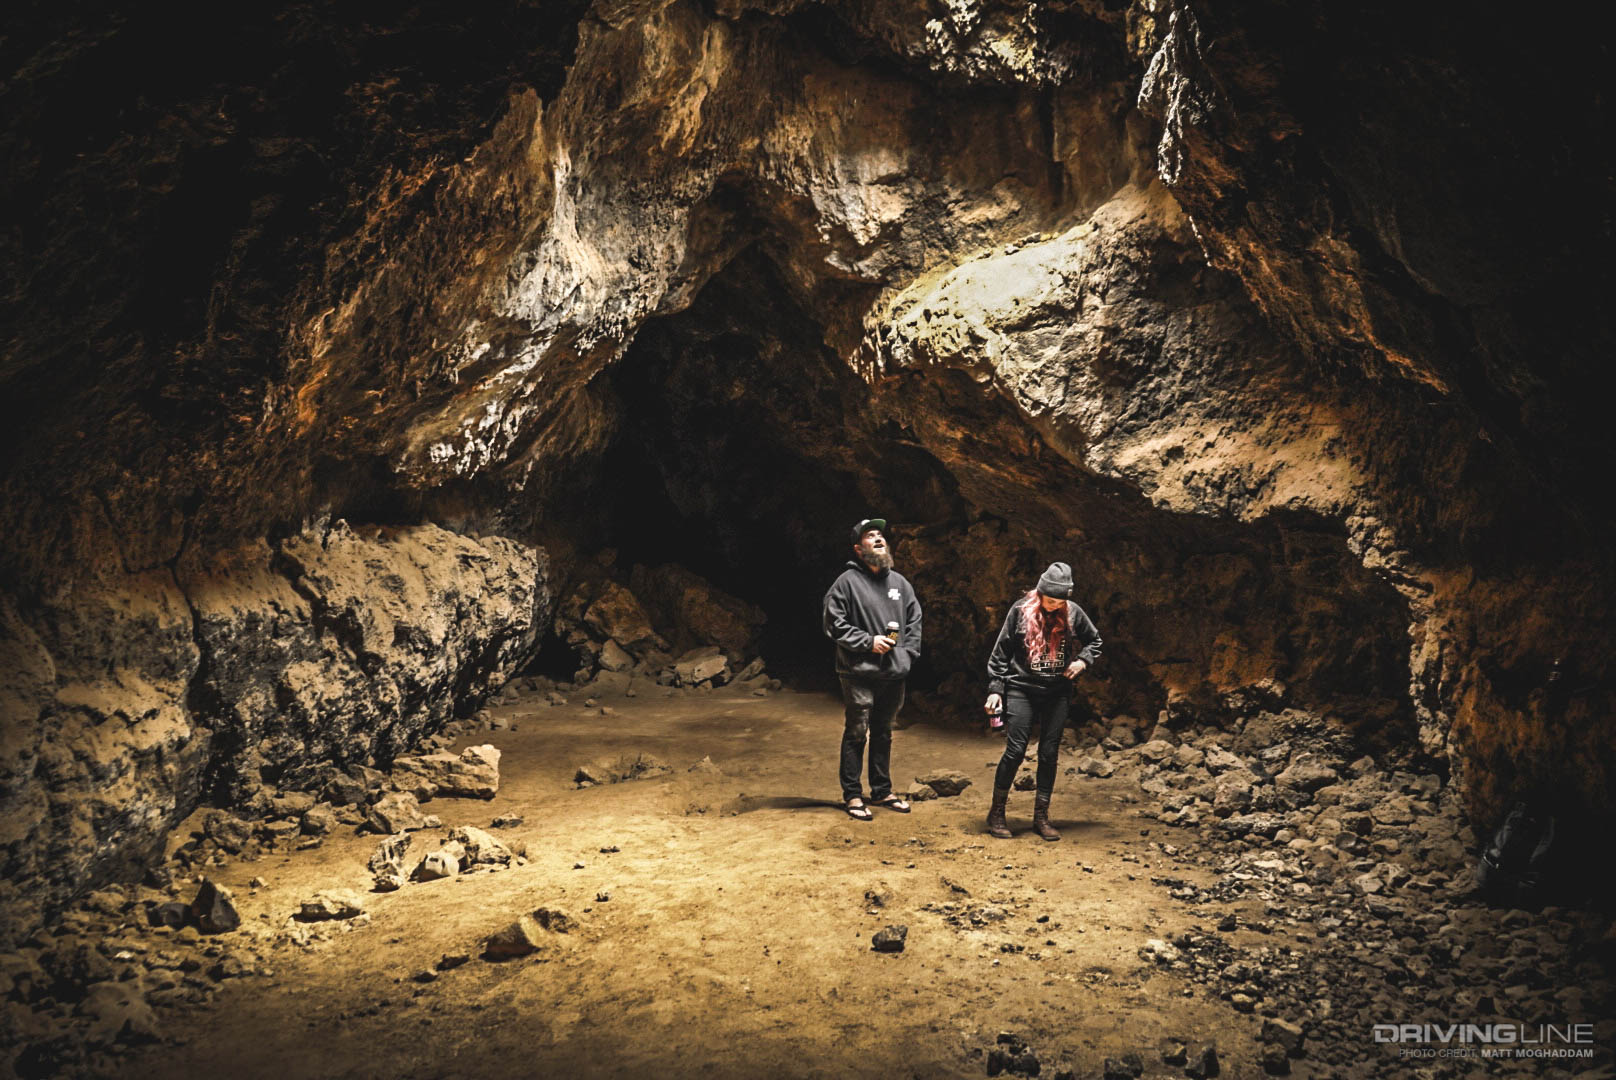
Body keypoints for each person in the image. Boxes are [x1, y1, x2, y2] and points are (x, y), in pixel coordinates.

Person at [983, 562, 1101, 841]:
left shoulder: (1072, 613)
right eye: (1049, 600)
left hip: (1057, 691)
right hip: (1021, 687)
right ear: (1039, 593)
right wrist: (995, 689)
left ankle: (1041, 816)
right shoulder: (1020, 611)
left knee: (1049, 753)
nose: (1053, 606)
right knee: (1016, 750)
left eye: (1059, 601)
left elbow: (1094, 641)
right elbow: (1000, 653)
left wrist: (1082, 662)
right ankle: (997, 813)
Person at [823, 518, 923, 820]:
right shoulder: (846, 583)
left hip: (893, 673)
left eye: (880, 534)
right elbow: (833, 623)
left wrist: (907, 655)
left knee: (884, 731)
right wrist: (868, 642)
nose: (878, 538)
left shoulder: (900, 584)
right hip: (858, 672)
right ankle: (853, 795)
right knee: (857, 732)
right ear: (858, 548)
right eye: (870, 536)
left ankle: (882, 790)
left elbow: (914, 620)